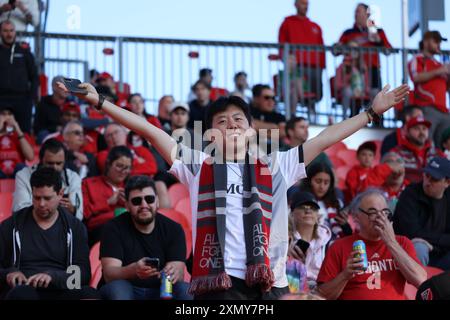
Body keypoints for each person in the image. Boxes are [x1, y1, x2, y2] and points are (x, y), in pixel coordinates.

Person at [58, 77, 409, 300]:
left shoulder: (277, 165)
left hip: (269, 282)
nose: (231, 126)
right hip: (218, 284)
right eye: (222, 122)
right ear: (211, 135)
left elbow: (326, 138)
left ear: (252, 131)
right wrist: (100, 102)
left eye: (238, 120)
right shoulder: (198, 166)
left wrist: (369, 114)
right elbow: (152, 132)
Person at [0, 167, 99, 300]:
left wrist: (53, 276)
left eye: (47, 198)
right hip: (24, 288)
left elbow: (83, 275)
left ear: (60, 194)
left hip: (60, 288)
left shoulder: (75, 227)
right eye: (36, 197)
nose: (41, 204)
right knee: (23, 294)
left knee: (90, 294)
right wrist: (9, 273)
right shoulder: (11, 225)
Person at [316, 189, 426, 300]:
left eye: (384, 212)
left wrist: (391, 242)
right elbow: (322, 295)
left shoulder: (402, 243)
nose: (380, 217)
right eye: (373, 212)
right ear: (356, 217)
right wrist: (345, 275)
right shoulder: (339, 246)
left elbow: (421, 280)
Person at [99, 175, 192, 300]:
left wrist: (172, 272)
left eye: (149, 199)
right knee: (119, 289)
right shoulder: (113, 228)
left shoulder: (174, 229)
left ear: (157, 201)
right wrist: (133, 270)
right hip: (126, 287)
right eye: (137, 201)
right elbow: (109, 274)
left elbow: (179, 272)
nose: (144, 205)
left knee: (185, 290)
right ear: (127, 205)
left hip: (161, 289)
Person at [394, 157, 450, 271]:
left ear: (447, 182)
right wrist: (441, 241)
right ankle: (418, 288)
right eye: (426, 175)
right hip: (410, 249)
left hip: (441, 251)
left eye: (434, 179)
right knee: (419, 247)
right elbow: (412, 232)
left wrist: (434, 245)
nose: (427, 182)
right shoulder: (410, 194)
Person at [13, 138, 83, 220]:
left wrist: (72, 209)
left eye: (59, 163)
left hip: (63, 226)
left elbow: (79, 216)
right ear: (41, 160)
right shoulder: (23, 176)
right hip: (31, 227)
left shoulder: (73, 177)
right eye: (50, 163)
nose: (55, 167)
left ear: (64, 161)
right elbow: (20, 211)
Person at [82, 146, 133, 246]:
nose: (123, 171)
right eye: (119, 166)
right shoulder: (89, 184)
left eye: (127, 168)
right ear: (108, 164)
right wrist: (108, 202)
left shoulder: (131, 187)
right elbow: (83, 214)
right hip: (99, 235)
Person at [336, 3, 392, 93]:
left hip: (372, 70)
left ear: (367, 14)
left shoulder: (377, 31)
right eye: (355, 12)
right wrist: (340, 46)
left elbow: (389, 51)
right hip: (353, 70)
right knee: (354, 99)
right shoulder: (348, 33)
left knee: (375, 98)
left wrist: (379, 41)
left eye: (358, 11)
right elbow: (336, 51)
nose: (355, 14)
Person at [278, 0, 325, 105]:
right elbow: (282, 45)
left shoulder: (316, 27)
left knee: (315, 95)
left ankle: (312, 116)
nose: (305, 6)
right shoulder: (287, 23)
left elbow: (321, 49)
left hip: (314, 67)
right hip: (297, 66)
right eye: (303, 3)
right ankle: (292, 117)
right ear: (296, 5)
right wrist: (286, 60)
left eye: (307, 4)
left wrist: (322, 66)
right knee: (295, 90)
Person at [409, 31, 450, 147]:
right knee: (426, 144)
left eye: (440, 42)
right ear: (426, 42)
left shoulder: (439, 64)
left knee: (444, 146)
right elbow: (416, 77)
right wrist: (439, 71)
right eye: (436, 41)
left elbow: (446, 88)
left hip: (444, 110)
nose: (439, 45)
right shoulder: (417, 59)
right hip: (427, 107)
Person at [287, 192, 331, 290]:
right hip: (293, 290)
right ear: (292, 213)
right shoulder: (284, 240)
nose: (308, 211)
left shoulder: (328, 241)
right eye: (302, 207)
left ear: (317, 215)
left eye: (313, 207)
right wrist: (285, 255)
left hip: (322, 291)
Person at [296, 162, 351, 240]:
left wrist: (344, 224)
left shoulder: (335, 203)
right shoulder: (300, 202)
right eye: (318, 181)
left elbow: (347, 235)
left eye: (326, 183)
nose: (322, 186)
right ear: (309, 181)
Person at [0, 20, 38, 133]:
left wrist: (31, 98)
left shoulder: (25, 52)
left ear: (15, 32)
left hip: (22, 100)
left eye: (11, 30)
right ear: (0, 33)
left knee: (24, 132)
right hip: (1, 98)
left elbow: (34, 77)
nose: (9, 34)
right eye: (5, 31)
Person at [390, 116, 444, 183]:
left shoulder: (438, 153)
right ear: (407, 132)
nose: (421, 132)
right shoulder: (396, 153)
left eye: (424, 129)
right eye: (416, 128)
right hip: (406, 191)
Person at [334, 41, 374, 118]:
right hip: (349, 91)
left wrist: (363, 91)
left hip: (361, 92)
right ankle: (344, 118)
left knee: (374, 93)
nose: (354, 51)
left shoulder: (363, 66)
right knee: (348, 91)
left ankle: (373, 119)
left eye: (356, 49)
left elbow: (366, 84)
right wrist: (349, 86)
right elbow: (337, 84)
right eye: (351, 49)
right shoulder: (342, 66)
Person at [0, 105, 34, 178]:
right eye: (3, 114)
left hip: (17, 175)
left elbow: (30, 157)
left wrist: (17, 130)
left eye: (9, 114)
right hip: (1, 174)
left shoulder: (22, 135)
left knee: (21, 167)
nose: (6, 117)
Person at [33, 76, 70, 143]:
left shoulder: (71, 104)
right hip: (49, 133)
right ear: (54, 87)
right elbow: (37, 127)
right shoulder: (43, 103)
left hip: (68, 132)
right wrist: (55, 128)